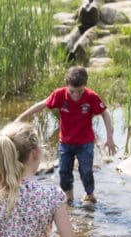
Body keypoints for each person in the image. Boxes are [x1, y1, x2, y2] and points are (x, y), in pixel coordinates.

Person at [16, 66, 117, 204]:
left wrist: (109, 137)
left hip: (85, 143)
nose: (75, 95)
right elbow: (42, 104)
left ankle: (89, 195)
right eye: (72, 91)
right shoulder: (59, 94)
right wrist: (21, 117)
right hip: (66, 143)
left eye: (80, 91)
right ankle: (68, 199)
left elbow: (105, 113)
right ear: (66, 84)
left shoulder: (91, 97)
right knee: (64, 172)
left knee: (86, 172)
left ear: (85, 86)